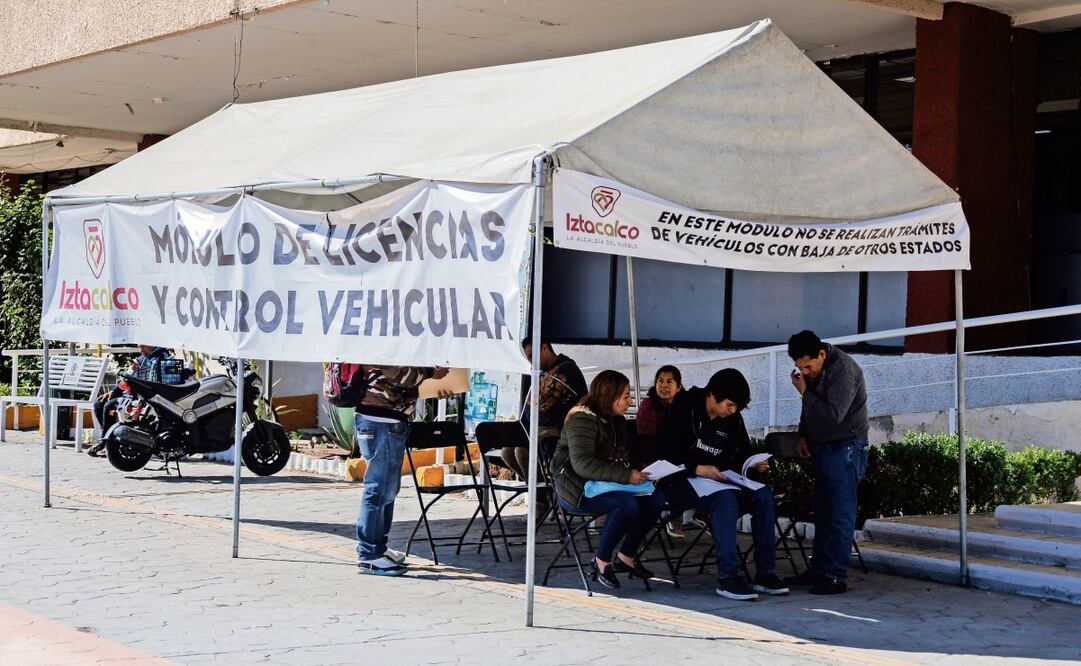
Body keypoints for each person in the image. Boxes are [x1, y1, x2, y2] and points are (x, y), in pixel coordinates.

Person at [661, 368, 789, 600]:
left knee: (763, 497)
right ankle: (728, 576)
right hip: (682, 481)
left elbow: (741, 453)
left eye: (737, 407)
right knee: (725, 499)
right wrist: (697, 469)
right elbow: (667, 453)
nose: (732, 411)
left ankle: (765, 573)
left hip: (720, 479)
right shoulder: (683, 407)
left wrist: (752, 464)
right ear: (713, 394)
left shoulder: (733, 418)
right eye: (729, 405)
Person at [549, 370, 664, 590]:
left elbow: (623, 456)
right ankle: (601, 561)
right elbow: (582, 464)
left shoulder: (616, 420)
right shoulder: (581, 418)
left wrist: (642, 471)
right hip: (576, 487)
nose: (629, 401)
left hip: (606, 482)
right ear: (608, 396)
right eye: (625, 396)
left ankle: (626, 556)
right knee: (626, 504)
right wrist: (626, 476)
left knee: (656, 498)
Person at [785, 330, 869, 595]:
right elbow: (809, 407)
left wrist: (804, 392)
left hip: (845, 445)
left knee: (839, 513)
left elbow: (834, 414)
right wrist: (803, 435)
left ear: (822, 353)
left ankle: (834, 575)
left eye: (808, 366)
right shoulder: (812, 373)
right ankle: (819, 569)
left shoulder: (844, 369)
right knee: (823, 511)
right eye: (799, 368)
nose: (805, 372)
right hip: (822, 446)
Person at [355, 365, 449, 576]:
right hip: (380, 419)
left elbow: (401, 383)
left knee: (387, 490)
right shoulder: (388, 338)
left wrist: (435, 387)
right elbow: (397, 374)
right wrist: (432, 374)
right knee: (378, 490)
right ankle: (368, 555)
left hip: (386, 419)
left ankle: (378, 549)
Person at [502, 338, 586, 478]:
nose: (531, 362)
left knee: (521, 452)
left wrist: (546, 427)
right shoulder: (543, 373)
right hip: (547, 429)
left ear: (545, 348)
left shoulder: (565, 371)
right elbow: (530, 411)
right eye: (528, 358)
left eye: (532, 356)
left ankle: (541, 495)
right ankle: (540, 490)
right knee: (507, 452)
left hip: (566, 431)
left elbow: (547, 413)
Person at [633, 365, 698, 538]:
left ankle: (691, 512)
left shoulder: (685, 406)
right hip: (652, 459)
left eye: (670, 381)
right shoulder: (648, 405)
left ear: (679, 386)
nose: (664, 385)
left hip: (675, 458)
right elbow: (646, 443)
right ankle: (674, 515)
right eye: (660, 381)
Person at [88, 345, 174, 458]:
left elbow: (155, 382)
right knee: (99, 404)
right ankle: (109, 440)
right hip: (131, 392)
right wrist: (114, 391)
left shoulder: (161, 357)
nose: (141, 350)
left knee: (109, 406)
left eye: (143, 347)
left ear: (151, 345)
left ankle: (108, 443)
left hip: (144, 395)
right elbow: (128, 379)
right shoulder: (142, 359)